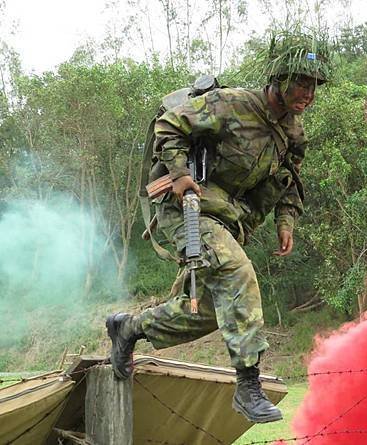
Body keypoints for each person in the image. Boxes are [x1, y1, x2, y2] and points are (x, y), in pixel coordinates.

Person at [105, 32, 331, 424]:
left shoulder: (292, 133)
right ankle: (248, 386)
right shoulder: (232, 105)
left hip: (226, 218)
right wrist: (178, 175)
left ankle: (128, 327)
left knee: (203, 313)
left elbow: (290, 182)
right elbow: (171, 125)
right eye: (300, 82)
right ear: (278, 78)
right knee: (237, 272)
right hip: (186, 208)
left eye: (314, 85)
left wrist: (286, 220)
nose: (308, 93)